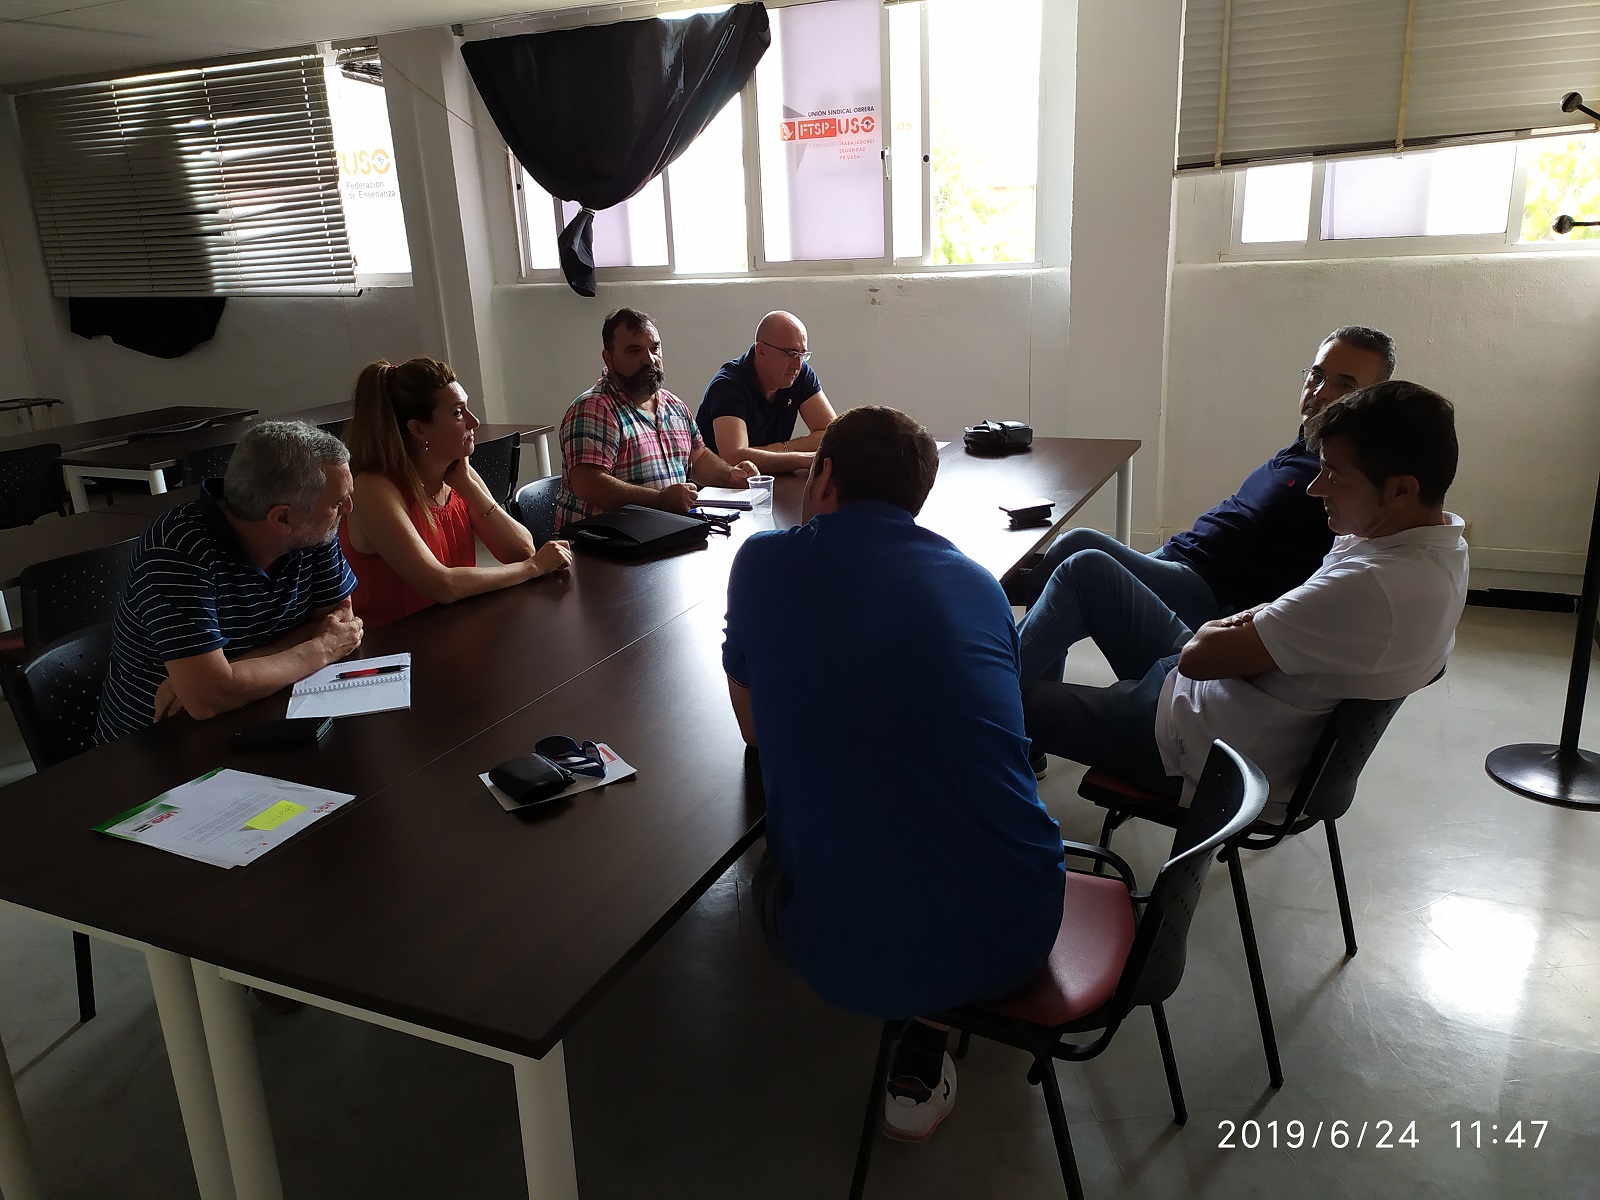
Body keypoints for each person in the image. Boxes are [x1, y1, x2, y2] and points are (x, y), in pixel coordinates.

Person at [722, 405, 1066, 1143]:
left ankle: (909, 993)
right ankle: (929, 1032)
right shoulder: (979, 584)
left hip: (846, 957)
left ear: (823, 477)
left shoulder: (763, 562)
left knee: (763, 872)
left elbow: (754, 731)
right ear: (918, 497)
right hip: (1022, 920)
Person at [1019, 380, 1468, 822]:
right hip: (1215, 702)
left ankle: (982, 700)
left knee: (997, 701)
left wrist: (1240, 625)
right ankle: (994, 696)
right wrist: (1256, 625)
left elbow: (1199, 658)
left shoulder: (1370, 588)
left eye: (1334, 476)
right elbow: (1256, 638)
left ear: (1401, 490)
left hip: (1194, 749)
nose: (1315, 488)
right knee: (1086, 567)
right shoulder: (1439, 548)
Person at [1012, 326, 1396, 691]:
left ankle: (995, 691)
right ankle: (1023, 700)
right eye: (1317, 375)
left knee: (1076, 551)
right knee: (1067, 554)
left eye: (1345, 384)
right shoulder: (1306, 446)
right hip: (1180, 561)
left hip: (1206, 595)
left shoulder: (1344, 480)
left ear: (1371, 400)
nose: (1321, 392)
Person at [96, 421, 363, 743]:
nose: (348, 508)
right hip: (158, 743)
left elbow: (339, 621)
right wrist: (321, 648)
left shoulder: (313, 529)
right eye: (337, 502)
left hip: (265, 712)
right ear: (282, 518)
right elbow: (208, 700)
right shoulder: (177, 549)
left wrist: (233, 670)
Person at [339, 357, 573, 629]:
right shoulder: (373, 489)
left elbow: (521, 550)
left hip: (454, 631)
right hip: (399, 645)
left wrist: (469, 487)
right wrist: (534, 568)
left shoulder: (458, 474)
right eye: (458, 413)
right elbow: (442, 585)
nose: (474, 422)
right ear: (418, 429)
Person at [555, 308, 760, 528]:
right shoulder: (593, 409)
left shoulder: (674, 405)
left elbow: (698, 458)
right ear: (609, 358)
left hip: (661, 533)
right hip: (599, 542)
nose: (649, 359)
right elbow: (589, 483)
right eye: (634, 350)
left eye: (655, 348)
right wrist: (659, 500)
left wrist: (731, 475)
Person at [695, 310, 837, 475]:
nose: (798, 365)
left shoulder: (800, 374)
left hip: (772, 479)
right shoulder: (728, 385)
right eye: (790, 354)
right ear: (761, 351)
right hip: (722, 488)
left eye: (802, 355)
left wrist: (779, 449)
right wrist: (802, 459)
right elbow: (734, 457)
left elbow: (832, 434)